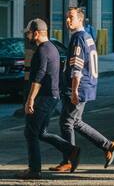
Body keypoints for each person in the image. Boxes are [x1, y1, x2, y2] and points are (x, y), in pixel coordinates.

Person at [49, 8, 114, 172]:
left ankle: (69, 159)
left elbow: (76, 69)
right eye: (66, 17)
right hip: (87, 86)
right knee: (76, 122)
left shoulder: (78, 38)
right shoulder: (87, 37)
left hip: (78, 87)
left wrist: (73, 91)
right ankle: (107, 145)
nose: (67, 20)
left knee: (66, 122)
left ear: (80, 20)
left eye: (71, 17)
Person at [16, 19, 80, 179]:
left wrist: (30, 100)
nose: (28, 35)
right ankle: (71, 150)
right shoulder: (53, 48)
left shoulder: (43, 50)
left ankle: (34, 170)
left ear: (36, 33)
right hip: (52, 96)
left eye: (29, 33)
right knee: (41, 132)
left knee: (30, 133)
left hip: (43, 98)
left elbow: (39, 75)